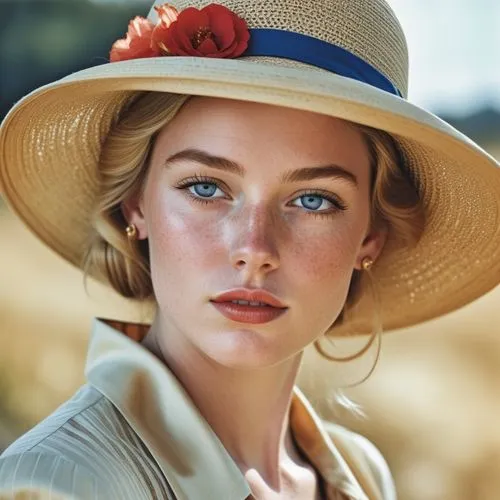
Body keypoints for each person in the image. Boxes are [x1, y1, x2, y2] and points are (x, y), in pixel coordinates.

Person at [0, 0, 499, 498]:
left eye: (313, 200)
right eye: (205, 188)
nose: (254, 248)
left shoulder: (364, 475)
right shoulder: (54, 481)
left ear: (370, 237)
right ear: (136, 205)